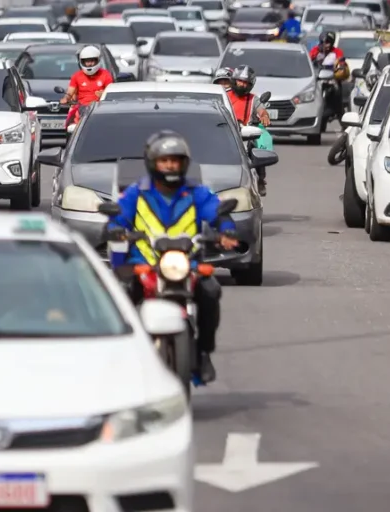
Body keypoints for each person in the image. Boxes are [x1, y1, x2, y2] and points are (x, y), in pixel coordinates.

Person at [106, 131, 239, 383]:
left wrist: (226, 231)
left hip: (186, 264)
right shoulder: (137, 193)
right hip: (142, 264)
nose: (170, 165)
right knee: (119, 299)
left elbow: (217, 212)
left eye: (175, 161)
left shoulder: (196, 192)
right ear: (153, 163)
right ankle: (120, 357)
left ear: (183, 163)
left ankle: (203, 352)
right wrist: (115, 229)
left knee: (210, 292)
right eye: (164, 161)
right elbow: (118, 217)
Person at [225, 65, 271, 195]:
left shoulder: (253, 99)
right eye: (240, 81)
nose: (242, 85)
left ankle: (261, 180)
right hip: (224, 133)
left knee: (258, 152)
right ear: (234, 80)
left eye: (245, 83)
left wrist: (264, 116)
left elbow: (261, 110)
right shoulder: (225, 95)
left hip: (245, 135)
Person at [310, 32, 347, 124]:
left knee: (337, 97)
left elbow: (341, 62)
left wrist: (340, 66)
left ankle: (342, 120)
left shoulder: (336, 52)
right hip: (318, 80)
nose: (326, 45)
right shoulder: (315, 50)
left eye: (328, 43)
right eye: (324, 43)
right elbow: (309, 59)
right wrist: (317, 55)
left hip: (332, 80)